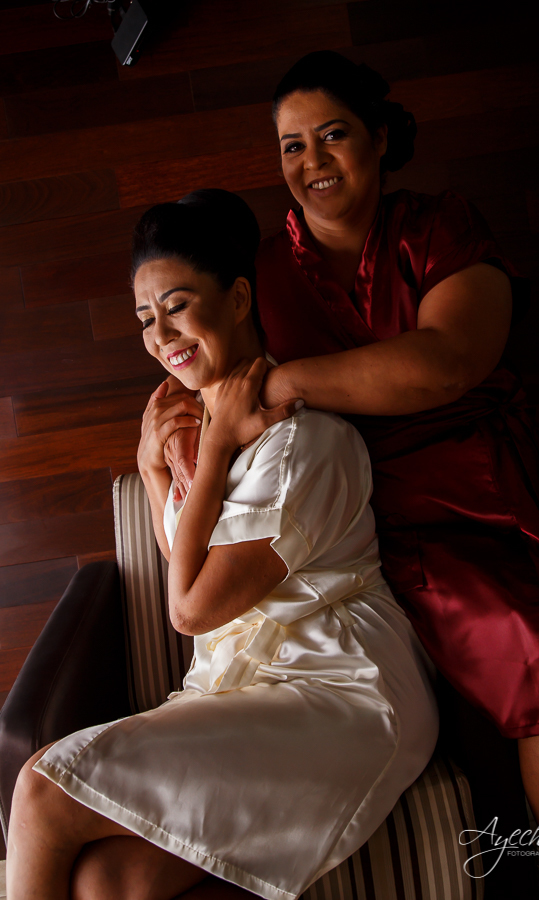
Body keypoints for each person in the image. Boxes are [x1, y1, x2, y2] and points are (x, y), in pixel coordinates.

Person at [163, 52, 539, 899]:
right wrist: (166, 444)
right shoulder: (260, 277)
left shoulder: (440, 228)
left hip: (498, 482)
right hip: (385, 519)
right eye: (291, 147)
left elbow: (447, 363)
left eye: (332, 135)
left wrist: (285, 383)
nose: (313, 162)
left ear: (382, 137)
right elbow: (200, 372)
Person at [6, 190, 438, 900]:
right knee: (109, 883)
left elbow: (189, 609)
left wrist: (209, 456)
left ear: (238, 298)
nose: (160, 335)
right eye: (145, 318)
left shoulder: (302, 443)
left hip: (337, 693)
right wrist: (154, 469)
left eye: (177, 306)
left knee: (42, 787)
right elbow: (184, 561)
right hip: (240, 688)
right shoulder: (198, 437)